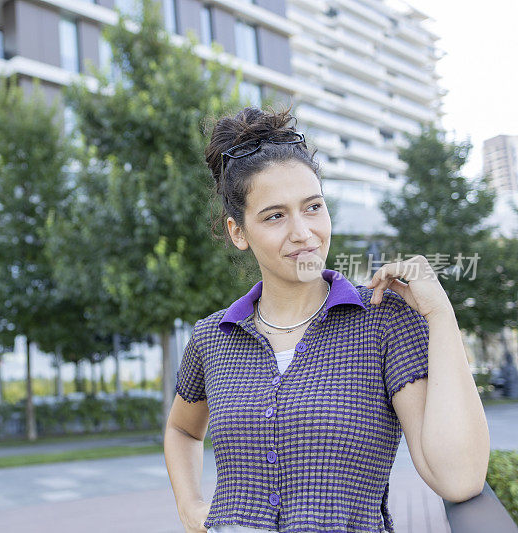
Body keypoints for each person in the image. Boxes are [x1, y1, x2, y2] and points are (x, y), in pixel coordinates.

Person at [163, 105, 490, 532]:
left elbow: (459, 479)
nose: (302, 232)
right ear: (238, 232)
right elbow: (182, 431)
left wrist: (441, 315)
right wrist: (190, 507)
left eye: (313, 207)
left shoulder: (383, 320)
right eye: (275, 215)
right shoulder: (212, 337)